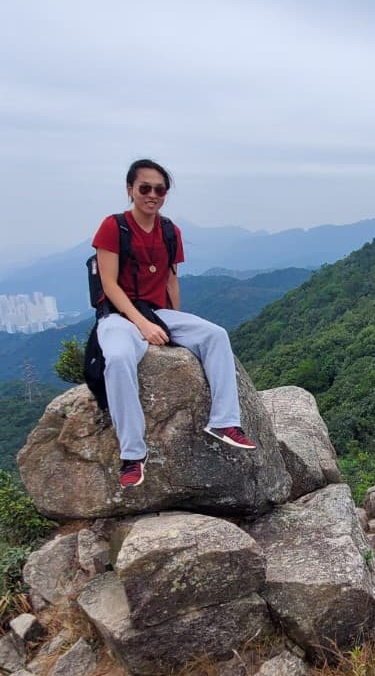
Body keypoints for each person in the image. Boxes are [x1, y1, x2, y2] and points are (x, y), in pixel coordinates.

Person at [93, 158, 257, 489]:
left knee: (215, 335)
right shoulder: (113, 227)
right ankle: (133, 454)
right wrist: (141, 325)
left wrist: (176, 324)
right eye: (145, 188)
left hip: (160, 312)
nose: (152, 195)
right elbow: (109, 285)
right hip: (118, 315)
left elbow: (170, 280)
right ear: (130, 190)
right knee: (120, 358)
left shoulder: (170, 231)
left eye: (160, 189)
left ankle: (224, 422)